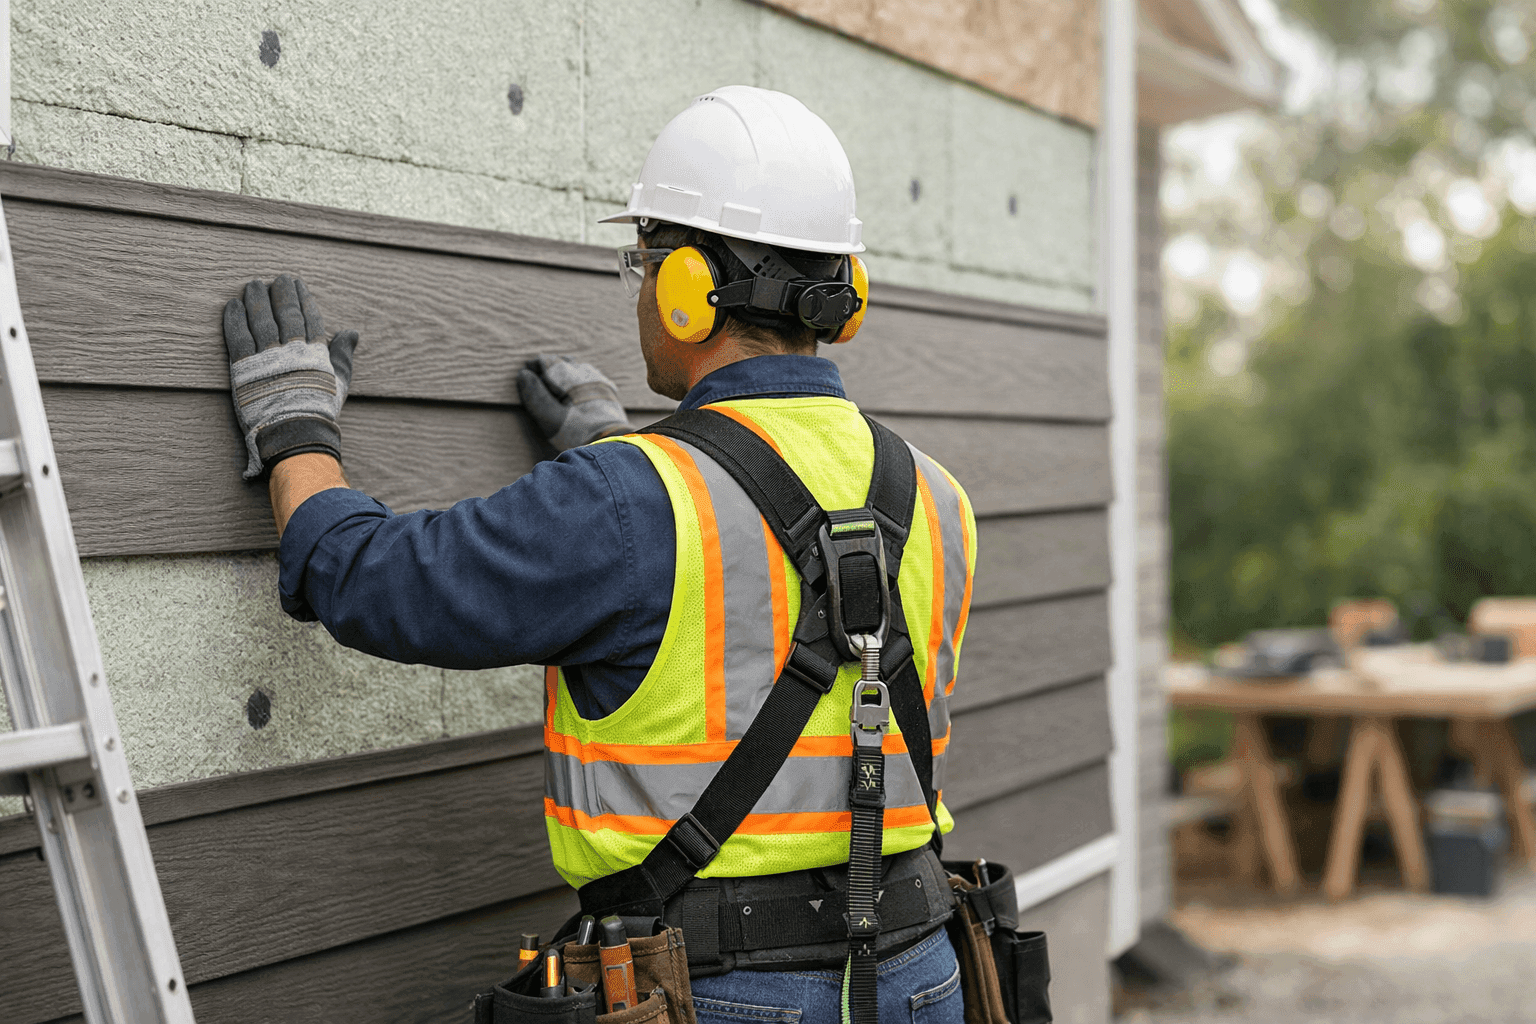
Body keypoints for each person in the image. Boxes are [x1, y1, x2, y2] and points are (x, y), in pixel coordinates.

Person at [221, 85, 976, 1023]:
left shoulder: (626, 501)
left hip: (733, 995)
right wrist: (610, 461)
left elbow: (370, 580)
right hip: (921, 971)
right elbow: (752, 582)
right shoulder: (937, 494)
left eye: (645, 261)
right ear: (844, 294)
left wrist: (297, 435)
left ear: (687, 290)